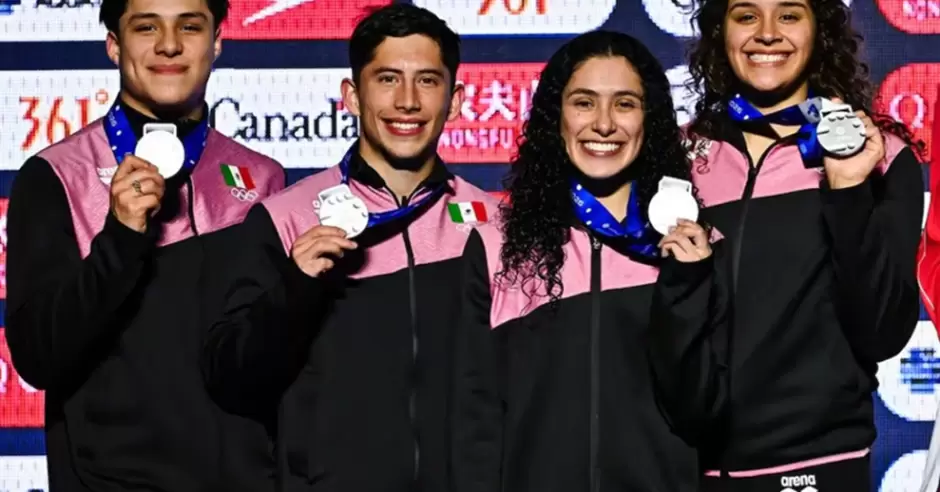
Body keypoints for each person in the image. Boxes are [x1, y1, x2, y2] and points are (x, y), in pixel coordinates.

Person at [199, 4, 497, 491]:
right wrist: (295, 289)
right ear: (352, 97)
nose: (407, 101)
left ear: (456, 100)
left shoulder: (492, 227)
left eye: (427, 81)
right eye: (387, 79)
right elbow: (229, 378)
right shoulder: (286, 218)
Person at [4, 0, 286, 490]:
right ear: (114, 45)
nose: (169, 45)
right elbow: (38, 357)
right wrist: (120, 236)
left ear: (217, 41)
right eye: (146, 27)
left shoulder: (263, 179)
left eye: (189, 27)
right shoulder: (58, 177)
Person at [652, 0, 924, 490]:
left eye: (790, 14)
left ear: (820, 30)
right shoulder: (679, 157)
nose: (767, 33)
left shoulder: (879, 154)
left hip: (819, 466)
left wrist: (847, 191)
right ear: (721, 31)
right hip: (690, 470)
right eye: (746, 15)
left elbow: (882, 332)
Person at [449, 30, 723, 492]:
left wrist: (686, 287)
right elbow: (473, 420)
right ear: (555, 117)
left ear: (650, 119)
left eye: (624, 104)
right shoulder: (498, 245)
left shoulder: (695, 247)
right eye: (583, 103)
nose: (603, 124)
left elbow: (700, 413)